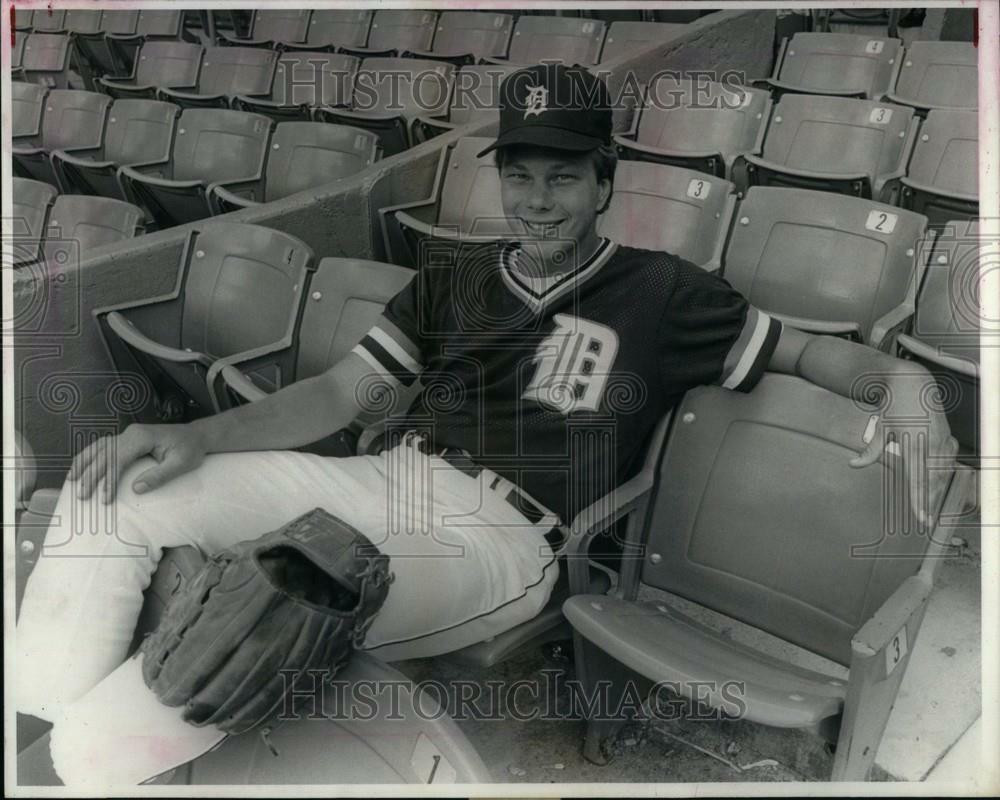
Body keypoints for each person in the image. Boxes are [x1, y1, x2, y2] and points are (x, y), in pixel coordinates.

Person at [15, 63, 957, 786]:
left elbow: (813, 354)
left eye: (562, 176)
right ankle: (42, 723)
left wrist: (905, 382)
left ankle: (79, 766)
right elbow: (343, 395)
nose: (537, 200)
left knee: (277, 601)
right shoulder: (456, 279)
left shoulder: (664, 293)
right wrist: (201, 438)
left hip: (506, 539)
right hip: (387, 476)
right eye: (519, 173)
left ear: (604, 181)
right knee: (125, 493)